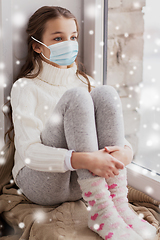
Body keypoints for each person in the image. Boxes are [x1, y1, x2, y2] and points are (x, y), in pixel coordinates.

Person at [5, 6, 156, 240]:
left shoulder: (86, 82)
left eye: (73, 37)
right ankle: (102, 213)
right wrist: (83, 159)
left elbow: (115, 138)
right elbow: (28, 153)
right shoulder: (26, 87)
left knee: (105, 93)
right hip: (40, 182)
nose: (69, 44)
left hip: (82, 185)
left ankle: (117, 205)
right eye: (58, 38)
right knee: (77, 98)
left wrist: (125, 153)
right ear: (37, 45)